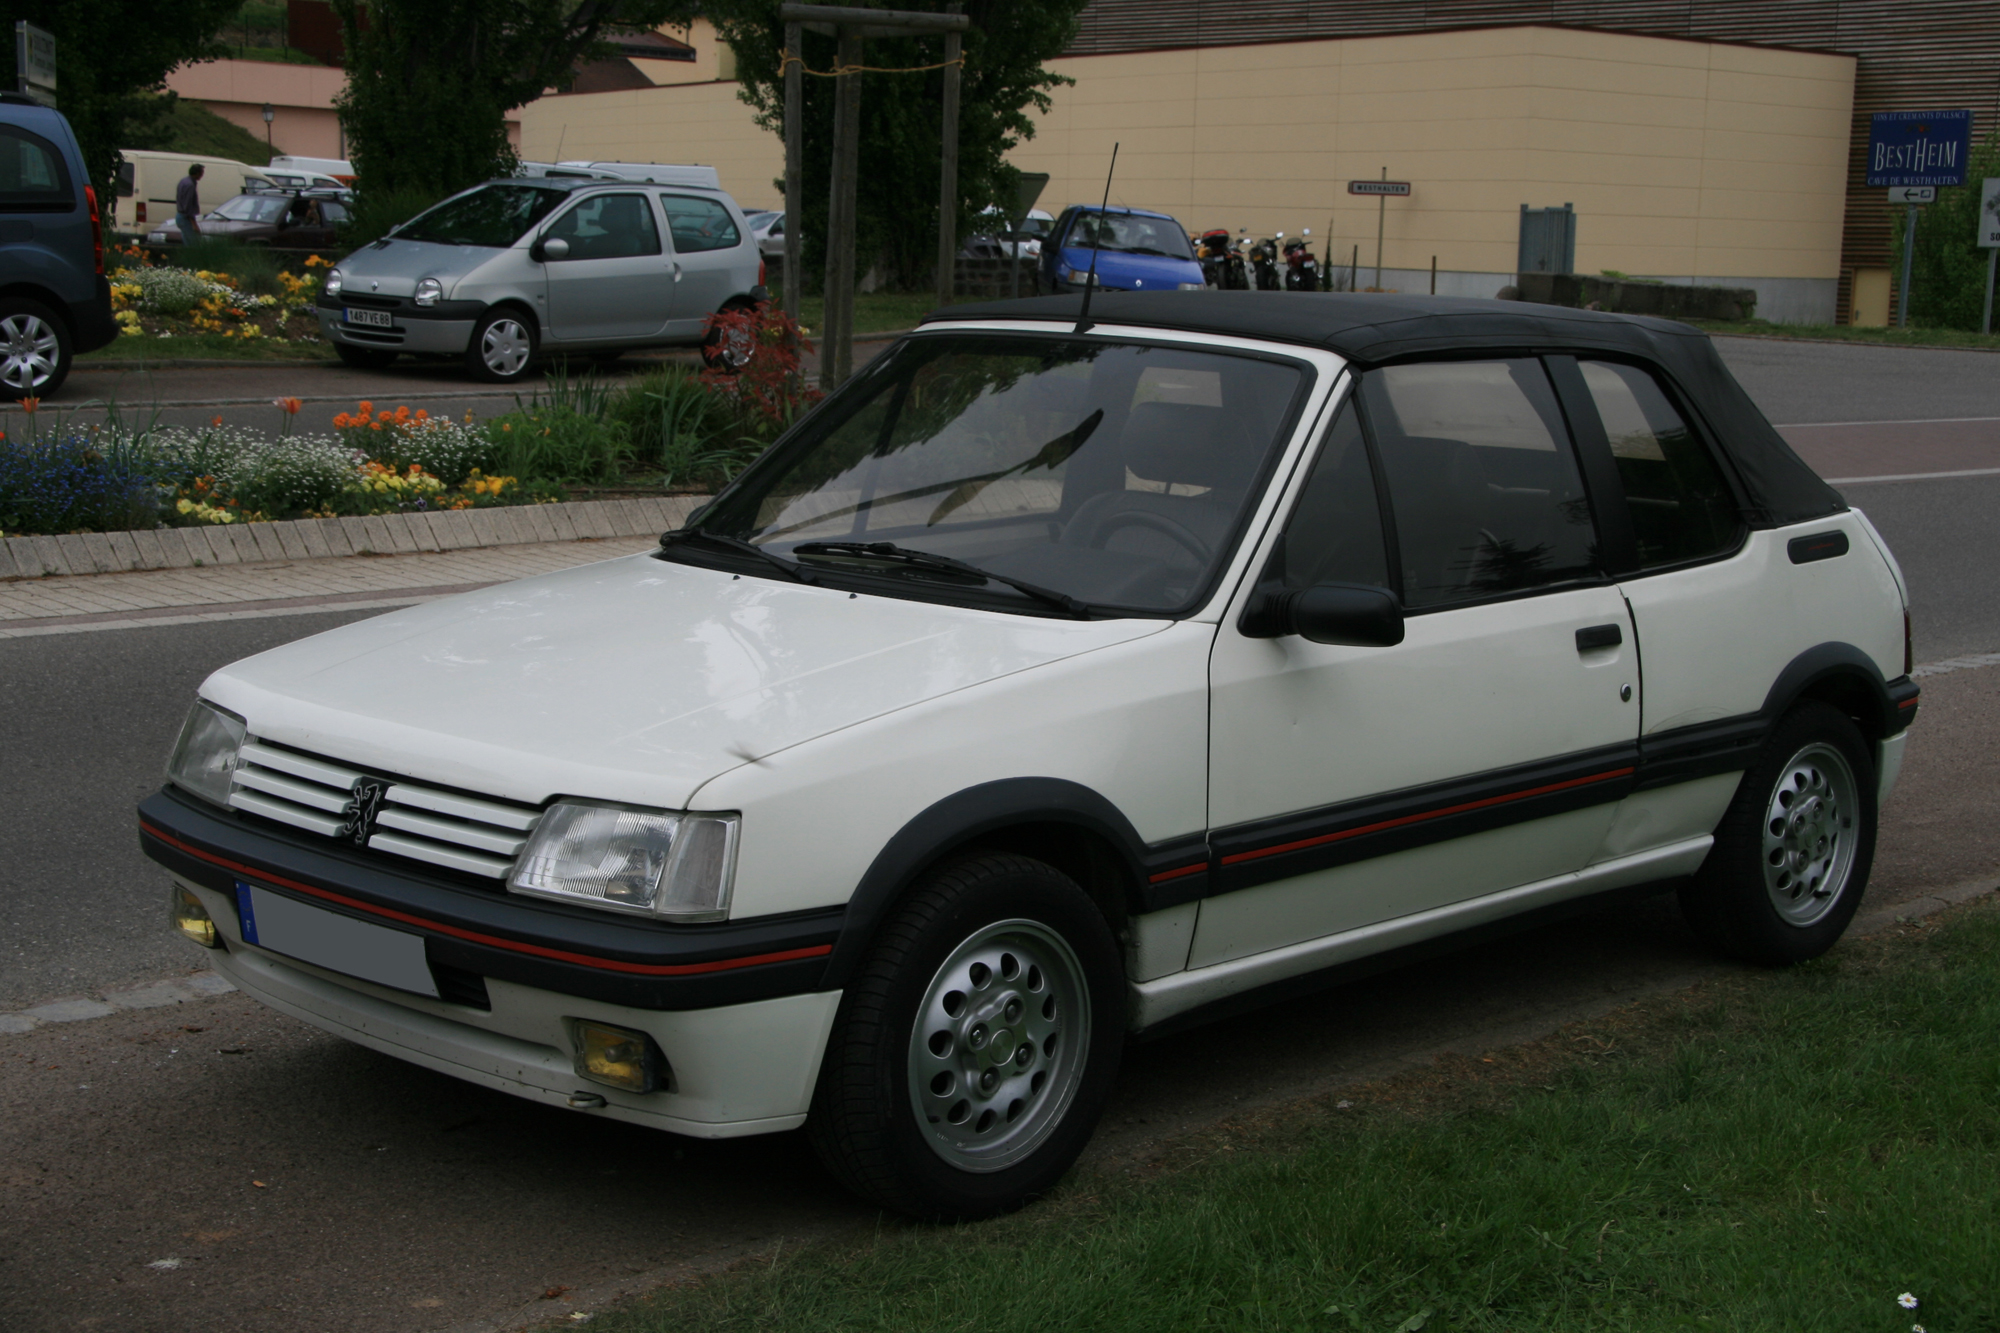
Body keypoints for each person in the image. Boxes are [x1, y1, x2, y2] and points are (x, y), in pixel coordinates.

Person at [174, 164, 204, 245]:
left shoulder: (183, 181)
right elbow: (188, 206)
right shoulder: (190, 185)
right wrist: (194, 224)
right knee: (193, 244)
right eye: (202, 173)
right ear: (197, 173)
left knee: (187, 242)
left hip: (180, 216)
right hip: (186, 218)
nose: (202, 175)